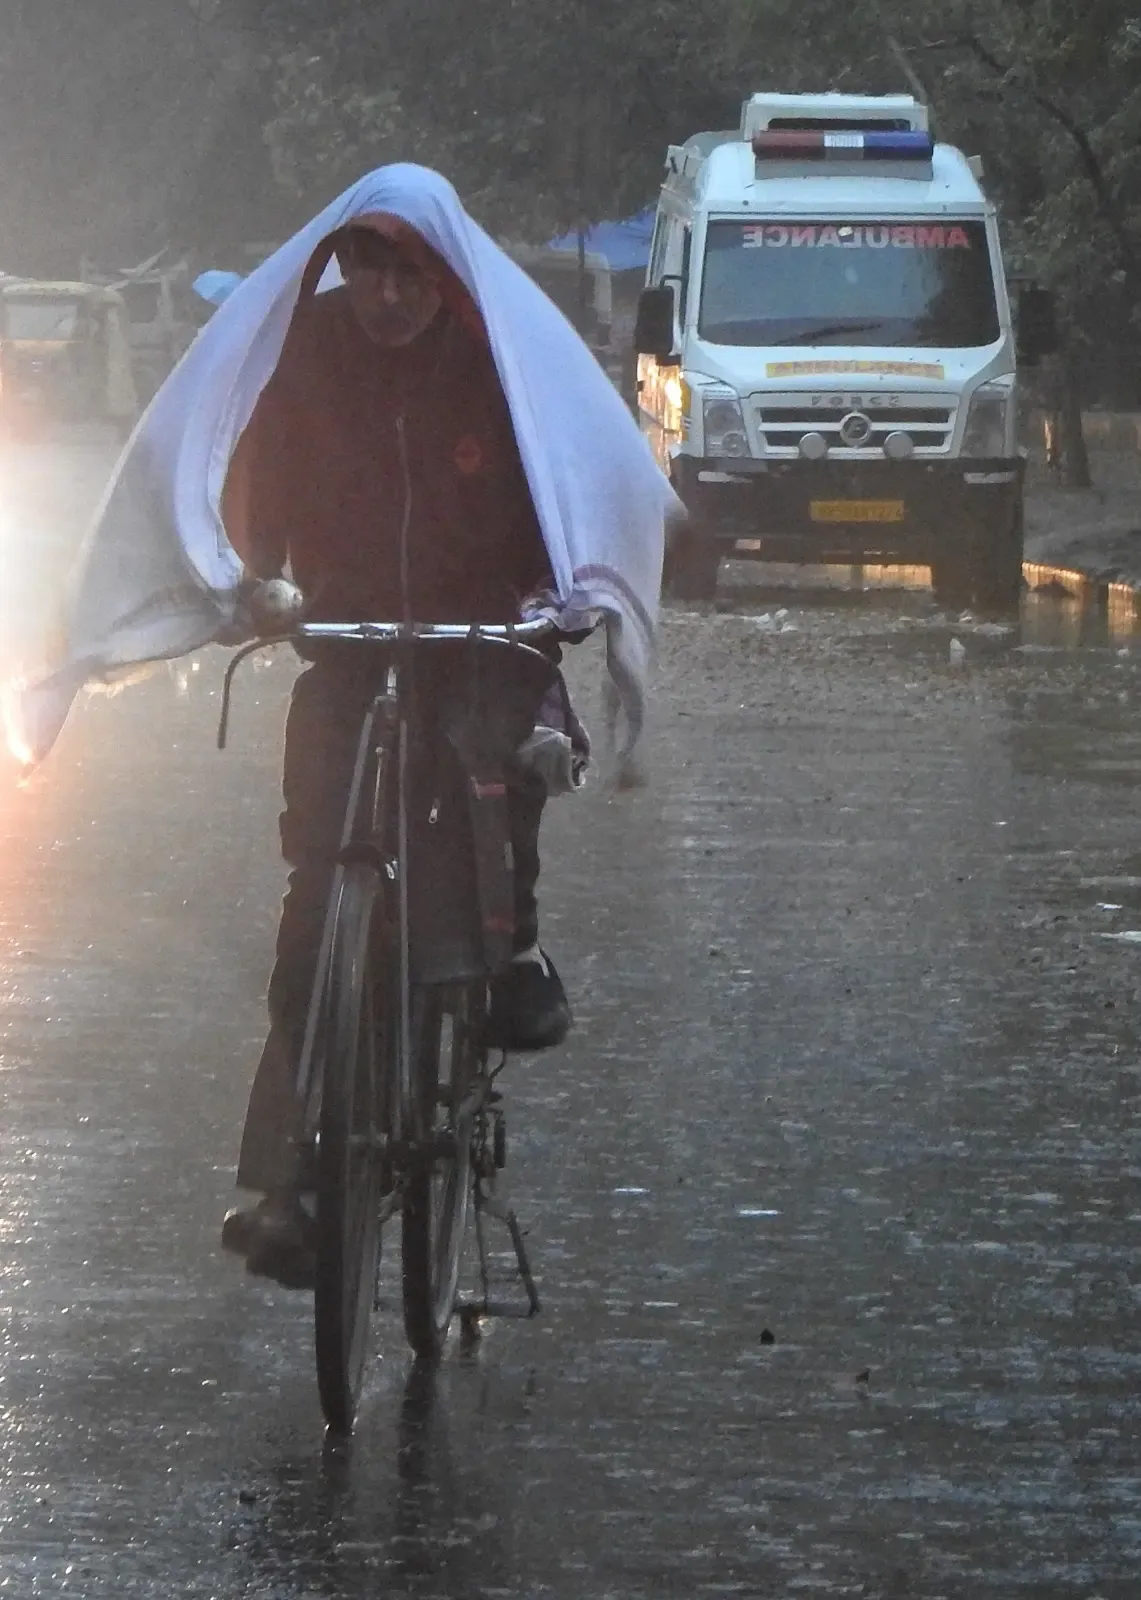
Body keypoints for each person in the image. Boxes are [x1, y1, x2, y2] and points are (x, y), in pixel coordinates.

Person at [220, 218, 581, 1286]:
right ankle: (287, 1184)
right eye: (368, 271)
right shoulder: (304, 354)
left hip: (478, 636)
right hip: (345, 634)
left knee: (501, 771)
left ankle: (510, 958)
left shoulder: (493, 352)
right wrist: (253, 577)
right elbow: (258, 487)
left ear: (443, 279)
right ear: (343, 273)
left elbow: (554, 489)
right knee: (312, 906)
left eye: (411, 274)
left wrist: (552, 598)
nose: (389, 294)